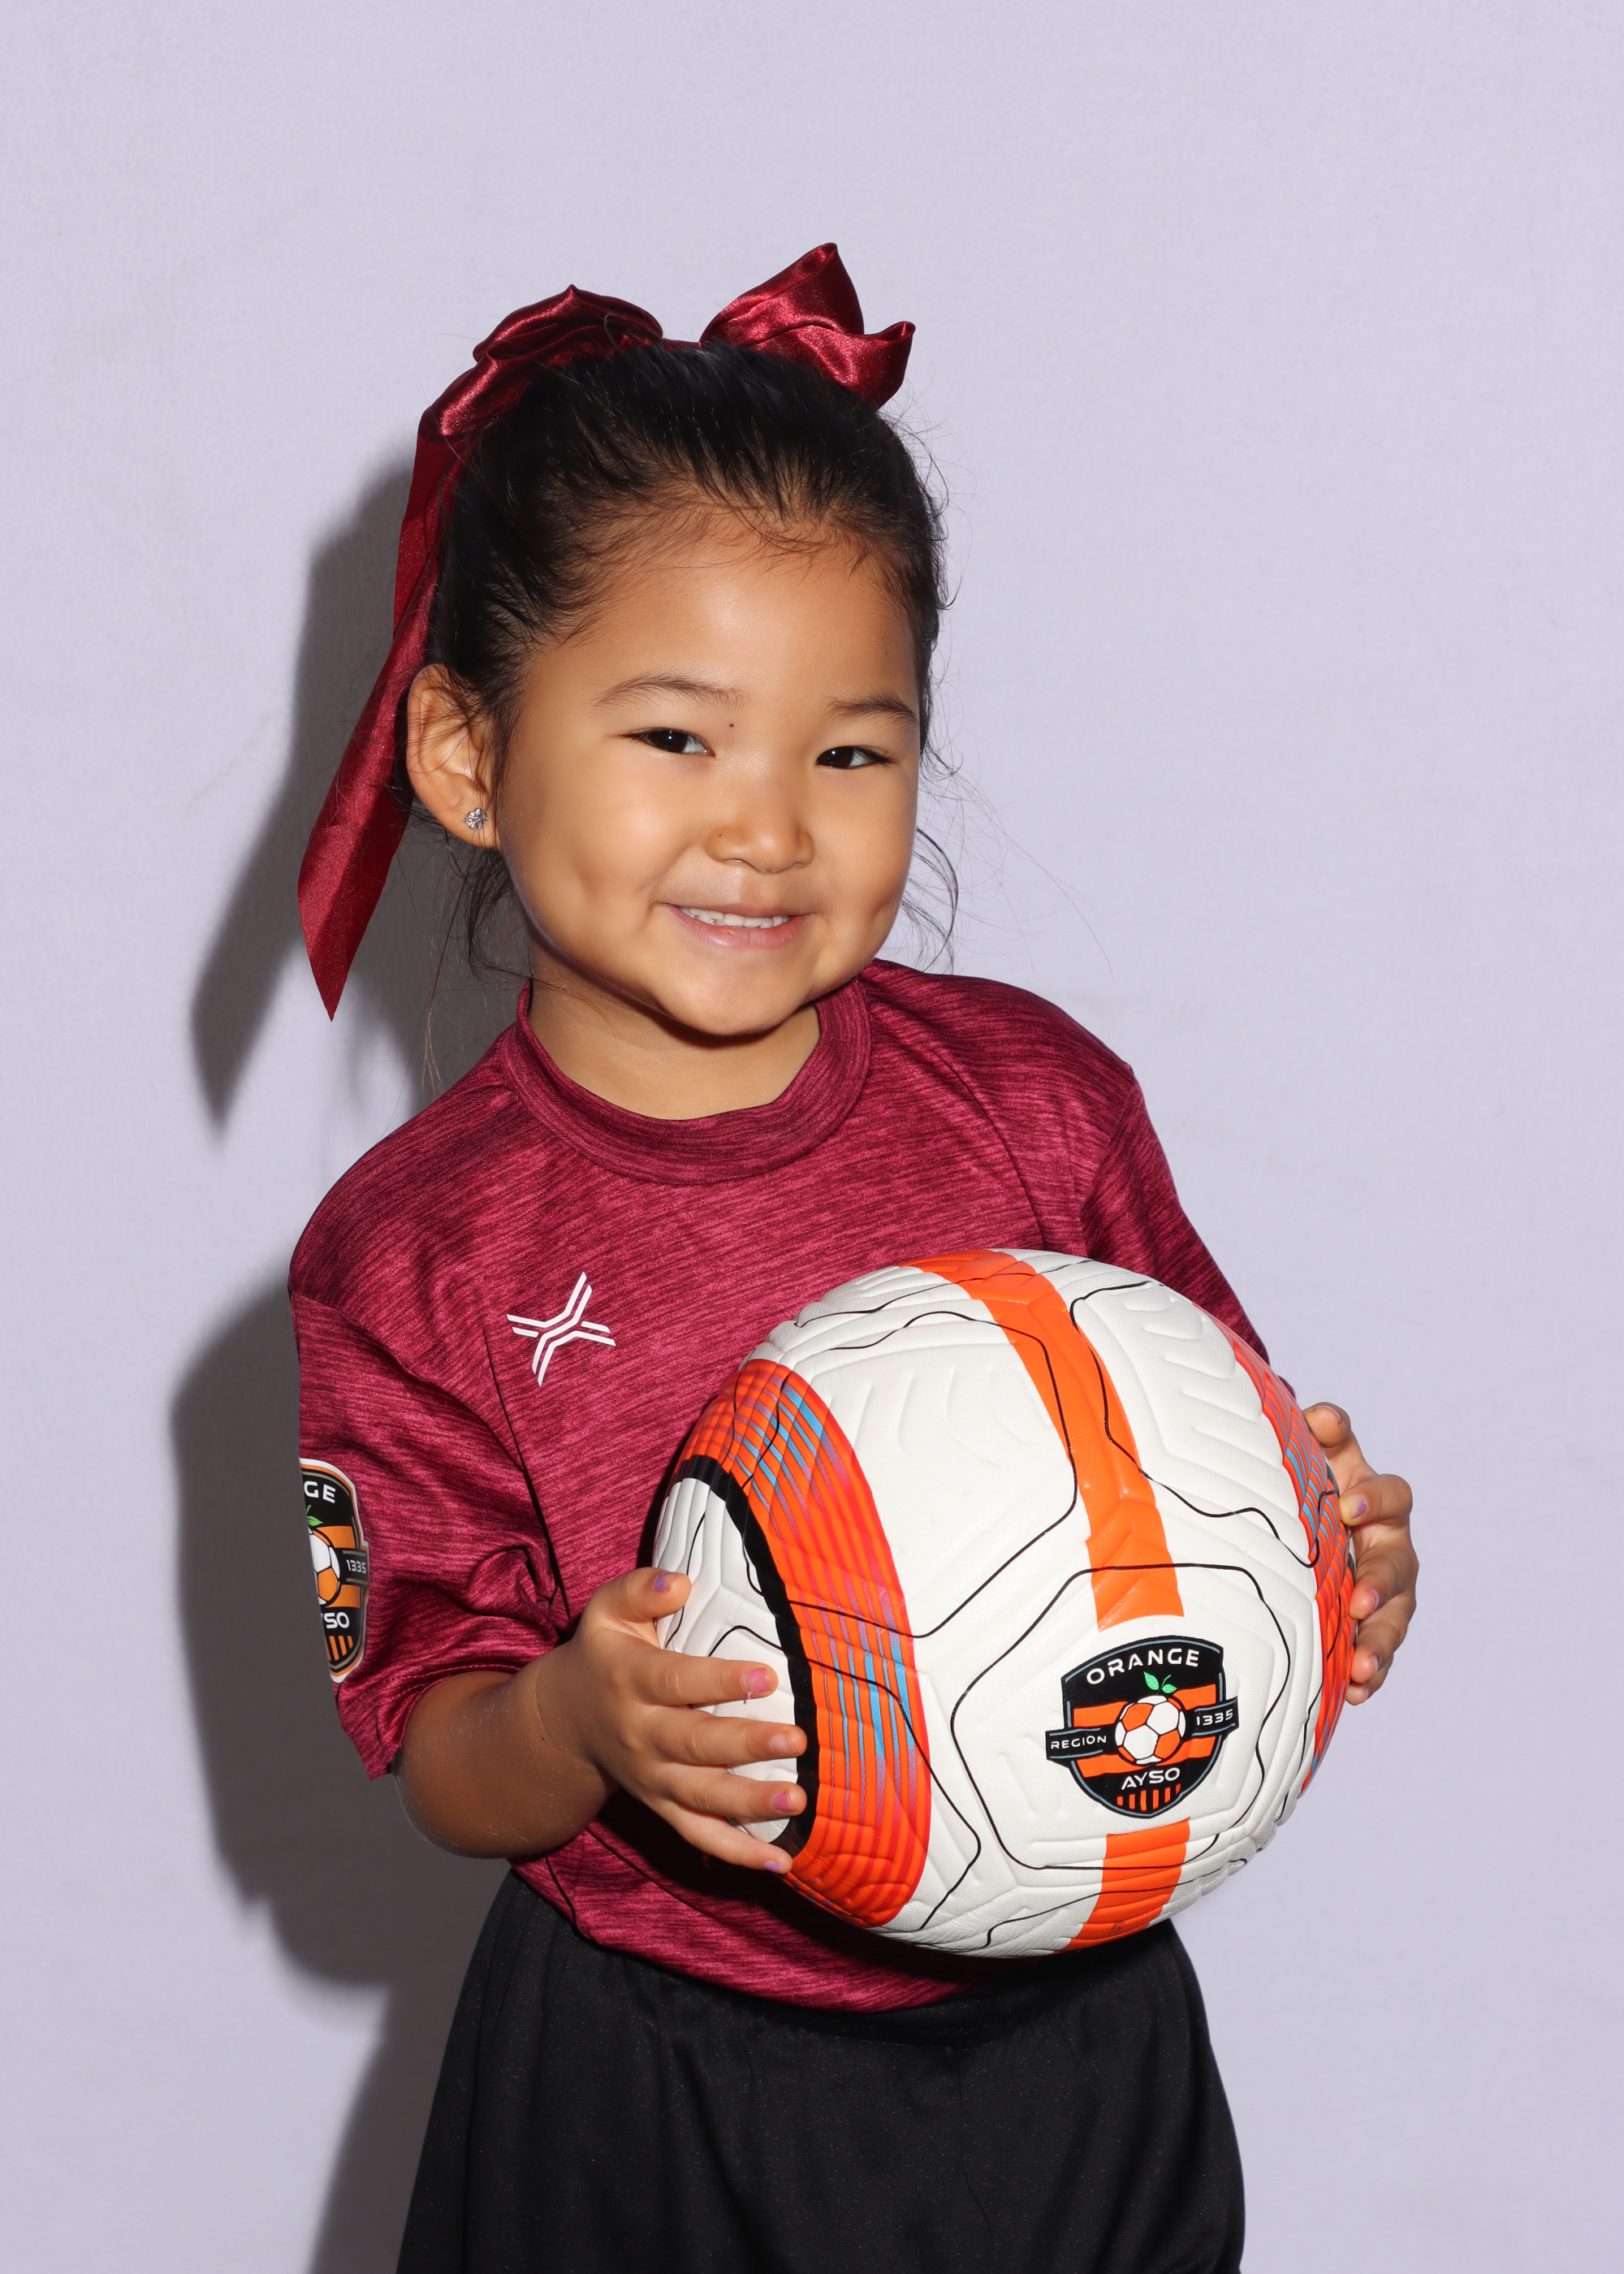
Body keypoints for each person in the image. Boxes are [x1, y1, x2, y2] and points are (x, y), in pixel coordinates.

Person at [290, 246, 1418, 2273]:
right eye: (676, 736)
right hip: (644, 2073)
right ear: (465, 756)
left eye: (848, 751)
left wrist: (1327, 1556)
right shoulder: (416, 1251)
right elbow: (442, 1751)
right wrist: (577, 1720)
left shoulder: (1037, 1104)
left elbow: (1218, 1488)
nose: (767, 829)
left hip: (1070, 2045)